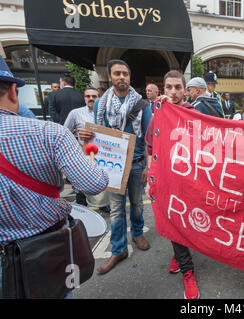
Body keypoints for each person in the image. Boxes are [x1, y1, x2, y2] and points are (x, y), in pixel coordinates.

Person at [0, 55, 109, 298]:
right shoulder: (50, 134)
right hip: (44, 250)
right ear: (13, 92)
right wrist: (97, 163)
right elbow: (94, 183)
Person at [92, 59, 152, 275]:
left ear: (129, 77)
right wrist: (86, 137)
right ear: (110, 77)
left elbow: (148, 139)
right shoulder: (100, 105)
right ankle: (118, 250)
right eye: (117, 73)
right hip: (113, 167)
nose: (122, 77)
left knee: (137, 204)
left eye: (125, 73)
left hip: (136, 165)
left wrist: (148, 165)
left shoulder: (142, 105)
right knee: (116, 211)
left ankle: (137, 233)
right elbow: (97, 135)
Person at [145, 70, 200, 299]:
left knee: (187, 222)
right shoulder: (158, 113)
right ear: (163, 90)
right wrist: (151, 177)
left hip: (189, 180)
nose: (174, 92)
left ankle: (180, 255)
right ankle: (188, 270)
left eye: (178, 87)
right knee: (172, 220)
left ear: (185, 90)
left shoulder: (195, 114)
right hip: (167, 181)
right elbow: (149, 147)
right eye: (169, 87)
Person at [64, 87, 111, 214]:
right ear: (84, 98)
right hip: (83, 154)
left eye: (94, 96)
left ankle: (103, 205)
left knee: (102, 179)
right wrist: (77, 137)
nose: (91, 99)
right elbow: (64, 132)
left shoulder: (106, 113)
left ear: (99, 98)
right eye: (88, 96)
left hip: (103, 154)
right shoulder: (75, 113)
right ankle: (82, 209)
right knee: (82, 184)